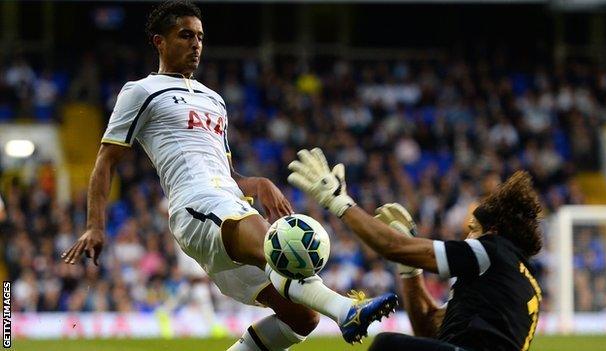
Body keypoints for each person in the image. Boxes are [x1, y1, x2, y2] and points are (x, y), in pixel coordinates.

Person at [61, 2, 397, 349]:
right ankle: (346, 310)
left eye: (201, 37)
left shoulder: (214, 100)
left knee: (301, 318)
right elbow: (106, 160)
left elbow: (228, 172)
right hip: (196, 205)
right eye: (185, 35)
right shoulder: (141, 91)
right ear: (159, 42)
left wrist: (261, 183)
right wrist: (96, 225)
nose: (196, 44)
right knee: (277, 246)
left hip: (228, 202)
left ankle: (338, 311)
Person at [288, 148, 543, 351]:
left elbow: (392, 246)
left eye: (473, 228)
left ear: (494, 231)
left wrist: (337, 200)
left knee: (388, 346)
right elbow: (430, 332)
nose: (468, 236)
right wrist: (410, 271)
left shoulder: (492, 252)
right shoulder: (518, 284)